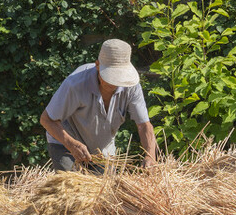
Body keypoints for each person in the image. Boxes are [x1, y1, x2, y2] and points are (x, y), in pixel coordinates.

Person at [40, 38, 158, 171]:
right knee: (70, 187)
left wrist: (150, 156)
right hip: (66, 142)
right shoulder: (75, 84)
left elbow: (144, 125)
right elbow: (47, 119)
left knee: (104, 189)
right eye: (111, 77)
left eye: (119, 77)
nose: (115, 83)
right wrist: (71, 144)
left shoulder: (131, 86)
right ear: (97, 65)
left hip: (102, 149)